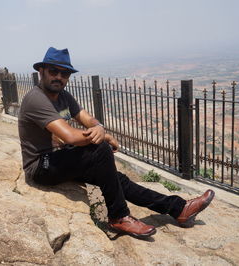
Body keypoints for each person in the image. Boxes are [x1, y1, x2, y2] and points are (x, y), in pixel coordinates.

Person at [18, 47, 215, 238]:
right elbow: (70, 136)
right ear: (41, 71)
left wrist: (100, 127)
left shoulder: (63, 96)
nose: (59, 77)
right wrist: (102, 136)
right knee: (100, 148)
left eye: (65, 73)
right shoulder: (37, 99)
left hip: (61, 159)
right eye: (54, 71)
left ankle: (179, 208)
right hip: (41, 166)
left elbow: (87, 119)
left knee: (115, 178)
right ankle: (119, 216)